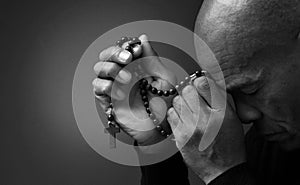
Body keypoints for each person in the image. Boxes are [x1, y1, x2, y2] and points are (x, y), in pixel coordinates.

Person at [92, 0, 300, 184]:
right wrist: (157, 145)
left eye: (251, 89)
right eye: (231, 93)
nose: (245, 116)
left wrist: (224, 172)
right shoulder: (267, 149)